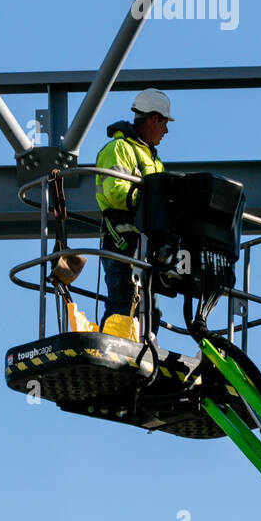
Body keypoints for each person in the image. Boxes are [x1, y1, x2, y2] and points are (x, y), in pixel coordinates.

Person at [95, 89, 172, 336]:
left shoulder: (153, 160)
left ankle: (145, 351)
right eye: (164, 124)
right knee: (122, 298)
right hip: (121, 240)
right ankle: (112, 348)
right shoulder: (119, 149)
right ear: (153, 119)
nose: (166, 131)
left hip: (145, 246)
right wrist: (153, 203)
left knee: (150, 308)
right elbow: (115, 191)